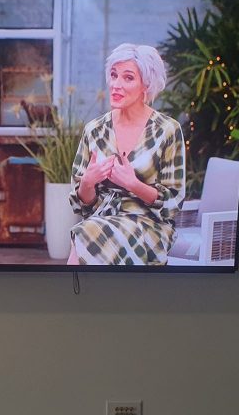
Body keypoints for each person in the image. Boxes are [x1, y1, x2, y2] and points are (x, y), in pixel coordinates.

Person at [68, 43, 186, 266]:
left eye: (128, 78)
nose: (116, 84)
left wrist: (133, 184)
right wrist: (88, 182)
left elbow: (173, 203)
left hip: (149, 225)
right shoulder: (95, 130)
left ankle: (67, 290)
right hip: (101, 221)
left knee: (85, 233)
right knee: (89, 229)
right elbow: (82, 205)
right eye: (114, 75)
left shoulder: (167, 130)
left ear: (146, 85)